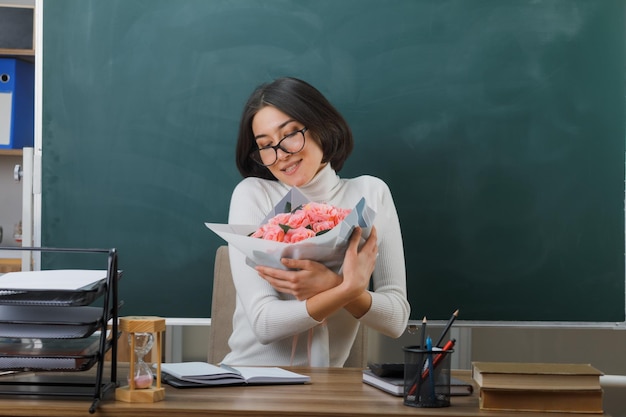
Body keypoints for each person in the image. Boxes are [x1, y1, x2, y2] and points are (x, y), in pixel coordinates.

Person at [221, 77, 410, 367]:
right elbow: (264, 322)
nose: (281, 154)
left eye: (290, 134)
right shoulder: (253, 194)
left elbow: (396, 319)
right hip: (251, 382)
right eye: (266, 145)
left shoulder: (370, 193)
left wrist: (330, 284)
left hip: (329, 390)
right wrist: (346, 289)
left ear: (320, 125)